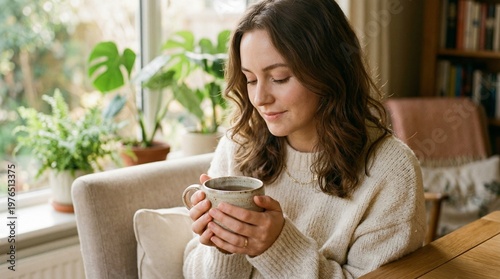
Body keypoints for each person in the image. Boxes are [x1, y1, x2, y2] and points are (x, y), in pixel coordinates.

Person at [183, 0, 426, 278]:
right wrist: (223, 245)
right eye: (250, 80)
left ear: (329, 71)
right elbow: (194, 268)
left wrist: (276, 247)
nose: (260, 99)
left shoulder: (391, 171)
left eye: (280, 77)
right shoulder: (239, 145)